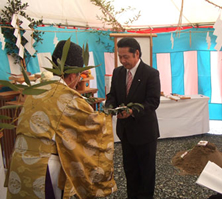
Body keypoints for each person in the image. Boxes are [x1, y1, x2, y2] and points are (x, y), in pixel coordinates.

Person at [5, 40, 117, 198]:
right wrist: (107, 115)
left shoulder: (35, 89)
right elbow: (93, 127)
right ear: (72, 76)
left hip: (19, 160)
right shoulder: (68, 98)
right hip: (43, 167)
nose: (78, 82)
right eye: (79, 77)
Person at [105, 37, 161, 199]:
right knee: (130, 169)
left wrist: (132, 112)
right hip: (125, 131)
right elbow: (112, 95)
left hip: (144, 132)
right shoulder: (118, 72)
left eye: (126, 57)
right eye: (120, 56)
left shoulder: (150, 73)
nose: (122, 61)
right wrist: (109, 106)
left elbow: (153, 102)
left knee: (146, 171)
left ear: (137, 54)